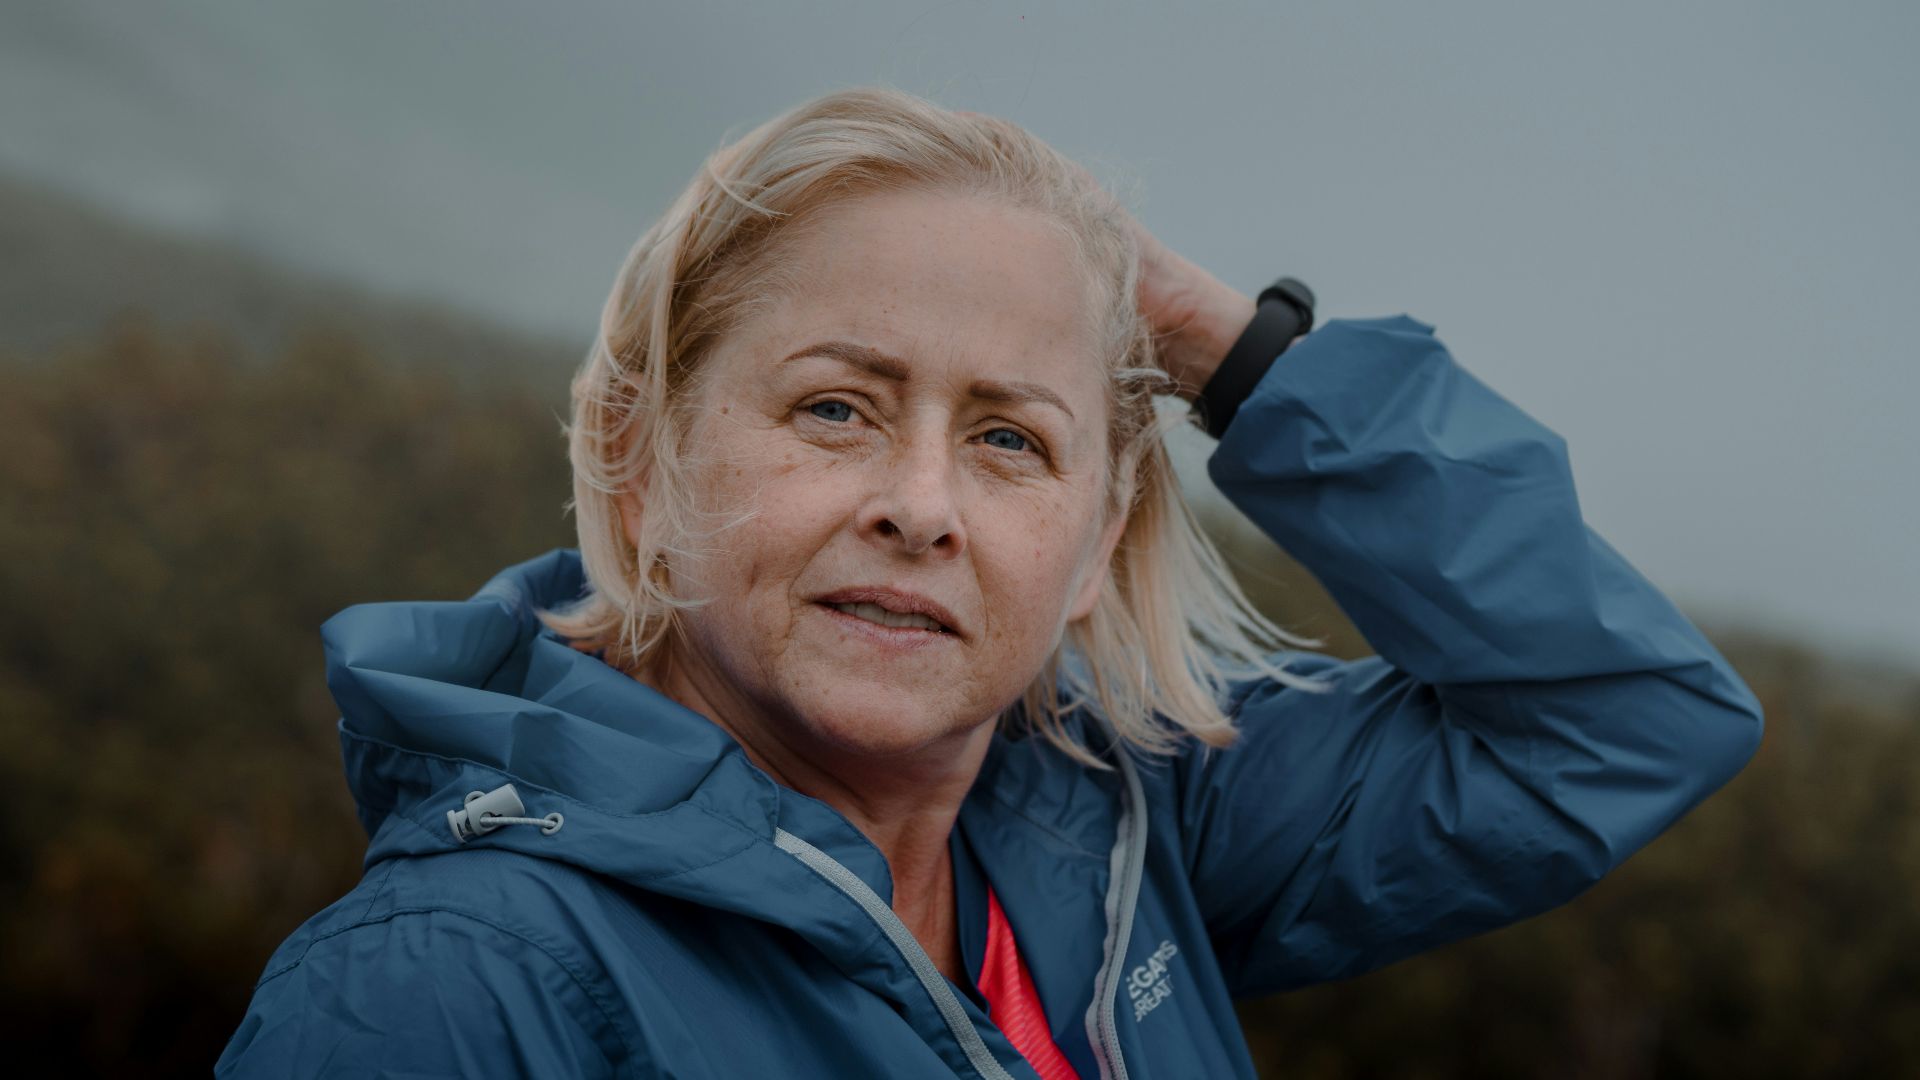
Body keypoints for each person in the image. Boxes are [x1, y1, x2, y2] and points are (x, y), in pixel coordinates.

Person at [216, 87, 1763, 1079]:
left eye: (1013, 440)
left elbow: (1622, 719)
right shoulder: (450, 990)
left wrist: (1221, 343)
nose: (921, 507)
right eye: (836, 407)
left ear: (1096, 545)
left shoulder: (1126, 819)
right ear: (640, 461)